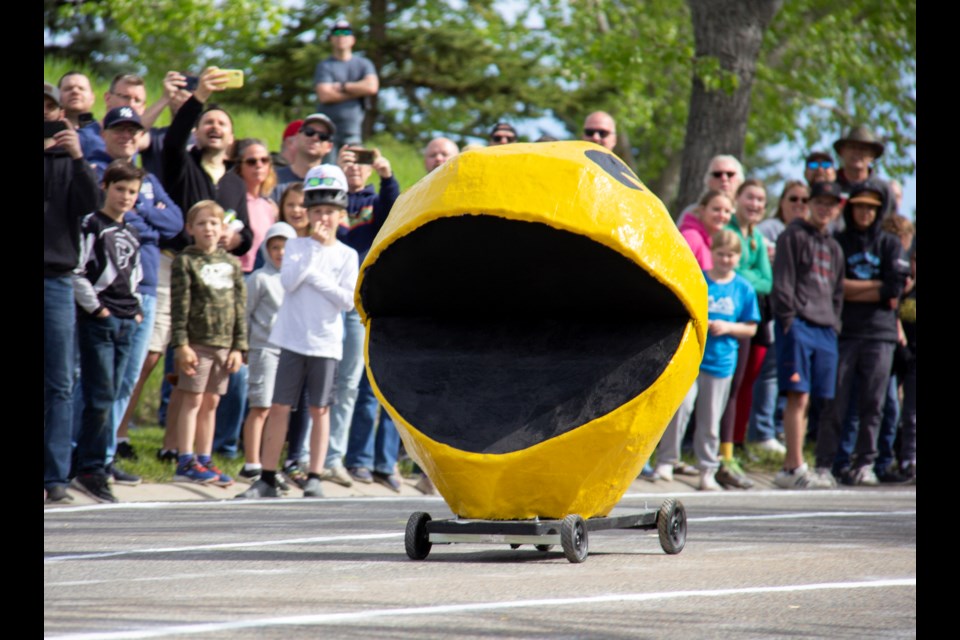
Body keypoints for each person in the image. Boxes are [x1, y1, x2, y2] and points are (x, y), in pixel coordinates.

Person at [236, 165, 359, 499]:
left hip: (325, 343)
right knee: (279, 407)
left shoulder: (348, 255)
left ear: (340, 214)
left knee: (320, 410)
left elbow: (346, 301)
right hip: (289, 339)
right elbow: (289, 282)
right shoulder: (296, 246)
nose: (323, 218)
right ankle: (267, 476)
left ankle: (315, 475)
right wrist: (314, 254)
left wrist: (315, 273)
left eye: (330, 212)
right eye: (317, 211)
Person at [86, 107, 183, 474]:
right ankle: (87, 454)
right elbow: (120, 220)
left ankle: (105, 456)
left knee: (127, 378)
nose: (127, 135)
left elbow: (174, 224)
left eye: (133, 130)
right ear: (105, 133)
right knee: (97, 381)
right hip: (108, 291)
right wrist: (146, 210)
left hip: (147, 289)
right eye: (118, 129)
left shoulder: (150, 180)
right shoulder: (95, 168)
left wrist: (143, 207)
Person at [655, 230, 760, 491]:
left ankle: (707, 469)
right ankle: (666, 461)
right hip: (692, 359)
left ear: (739, 257)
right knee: (681, 409)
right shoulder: (700, 280)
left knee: (711, 418)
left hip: (721, 361)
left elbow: (751, 328)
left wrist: (728, 327)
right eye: (721, 254)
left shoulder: (743, 287)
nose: (725, 259)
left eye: (731, 255)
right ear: (712, 253)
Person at [815, 182, 903, 486]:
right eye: (859, 206)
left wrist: (854, 288)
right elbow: (834, 286)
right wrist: (875, 288)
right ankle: (826, 464)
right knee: (834, 400)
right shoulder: (838, 242)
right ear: (850, 208)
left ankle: (865, 463)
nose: (864, 212)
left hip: (880, 334)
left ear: (878, 211)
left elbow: (894, 288)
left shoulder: (890, 243)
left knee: (873, 404)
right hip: (844, 332)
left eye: (871, 207)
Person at [70, 160, 146, 503]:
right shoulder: (92, 224)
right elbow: (77, 271)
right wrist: (96, 308)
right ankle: (90, 468)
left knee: (114, 395)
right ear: (105, 186)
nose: (126, 197)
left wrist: (137, 310)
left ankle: (96, 460)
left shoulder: (132, 232)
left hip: (127, 319)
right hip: (101, 319)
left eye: (132, 192)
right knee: (99, 397)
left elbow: (135, 274)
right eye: (120, 189)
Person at [44, 81, 102, 504]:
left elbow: (91, 204)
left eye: (50, 108)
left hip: (58, 280)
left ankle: (54, 477)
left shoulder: (70, 158)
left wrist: (79, 156)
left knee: (61, 382)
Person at [770, 182, 845, 489]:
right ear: (810, 203)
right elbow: (783, 280)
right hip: (798, 323)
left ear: (837, 208)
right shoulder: (793, 235)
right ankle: (795, 465)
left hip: (825, 328)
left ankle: (794, 466)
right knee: (797, 395)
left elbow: (837, 292)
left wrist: (834, 325)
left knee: (814, 398)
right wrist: (788, 319)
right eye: (820, 202)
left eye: (831, 203)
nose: (825, 208)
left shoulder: (835, 247)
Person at [169, 201, 248, 485]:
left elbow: (240, 308)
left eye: (214, 223)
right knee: (192, 399)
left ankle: (204, 458)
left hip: (224, 345)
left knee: (212, 402)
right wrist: (181, 344)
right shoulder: (185, 261)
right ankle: (185, 460)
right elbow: (179, 306)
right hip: (196, 343)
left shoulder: (232, 263)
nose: (208, 229)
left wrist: (239, 347)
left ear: (223, 228)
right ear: (190, 229)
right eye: (201, 223)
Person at [336, 147, 401, 489]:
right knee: (350, 387)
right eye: (347, 162)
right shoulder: (330, 200)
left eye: (360, 163)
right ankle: (356, 459)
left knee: (378, 388)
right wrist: (334, 177)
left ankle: (384, 463)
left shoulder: (376, 201)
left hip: (373, 298)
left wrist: (386, 174)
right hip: (339, 299)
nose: (354, 169)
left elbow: (393, 210)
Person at [715, 179, 772, 488]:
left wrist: (744, 277)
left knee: (738, 389)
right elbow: (738, 273)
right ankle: (714, 455)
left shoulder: (757, 238)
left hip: (747, 319)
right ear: (737, 199)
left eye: (761, 200)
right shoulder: (731, 233)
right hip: (723, 317)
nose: (755, 204)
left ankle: (731, 450)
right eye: (750, 197)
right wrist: (749, 277)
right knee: (719, 391)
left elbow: (767, 282)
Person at [748, 181, 810, 455]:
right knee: (770, 373)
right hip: (770, 312)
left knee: (791, 377)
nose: (799, 205)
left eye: (804, 200)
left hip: (801, 315)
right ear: (782, 201)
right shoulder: (768, 230)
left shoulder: (810, 234)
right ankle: (762, 431)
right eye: (793, 198)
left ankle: (777, 429)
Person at [238, 221, 298, 484]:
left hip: (290, 353)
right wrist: (242, 346)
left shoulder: (297, 280)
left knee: (279, 410)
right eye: (275, 247)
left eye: (286, 247)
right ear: (266, 249)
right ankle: (251, 463)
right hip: (264, 350)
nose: (280, 252)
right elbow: (244, 315)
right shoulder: (259, 278)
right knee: (260, 406)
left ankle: (269, 465)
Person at [313, 20, 379, 159]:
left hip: (354, 131)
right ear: (331, 39)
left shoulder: (364, 64)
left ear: (352, 39)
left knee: (356, 170)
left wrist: (342, 87)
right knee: (329, 172)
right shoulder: (325, 65)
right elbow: (325, 95)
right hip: (327, 133)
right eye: (337, 33)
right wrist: (357, 91)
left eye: (346, 32)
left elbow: (372, 87)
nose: (341, 36)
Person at [271, 113, 336, 201]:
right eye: (309, 131)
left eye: (323, 136)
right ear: (297, 136)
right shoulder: (273, 178)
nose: (315, 138)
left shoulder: (331, 184)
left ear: (329, 147)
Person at [834, 125, 894, 218]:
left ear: (872, 156)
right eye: (852, 147)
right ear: (842, 151)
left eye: (863, 149)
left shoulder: (883, 189)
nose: (857, 152)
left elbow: (889, 223)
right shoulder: (830, 184)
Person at [678, 189, 734, 270]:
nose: (722, 215)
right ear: (702, 210)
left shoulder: (712, 242)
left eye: (727, 211)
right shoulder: (692, 237)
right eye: (716, 209)